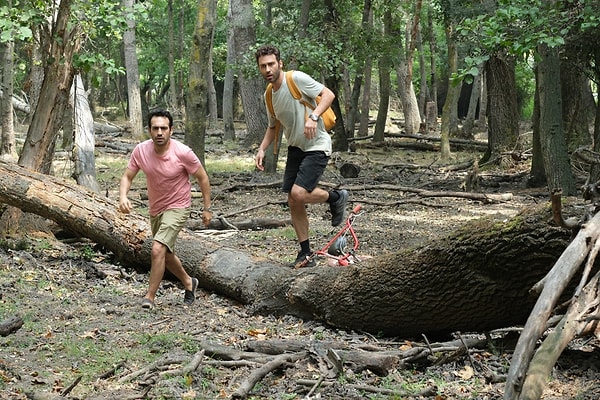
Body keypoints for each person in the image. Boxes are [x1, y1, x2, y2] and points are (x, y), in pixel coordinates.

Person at [254, 45, 348, 268]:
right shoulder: (269, 95)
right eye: (263, 66)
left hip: (317, 144)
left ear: (280, 64)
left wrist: (314, 116)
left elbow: (329, 94)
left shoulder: (296, 79)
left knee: (298, 193)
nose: (268, 69)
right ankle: (306, 253)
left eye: (271, 64)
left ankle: (335, 198)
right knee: (293, 200)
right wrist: (261, 149)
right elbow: (272, 126)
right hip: (296, 148)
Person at [119, 109, 212, 309]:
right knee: (165, 253)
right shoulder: (141, 151)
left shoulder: (183, 152)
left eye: (163, 128)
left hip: (178, 206)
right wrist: (123, 197)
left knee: (157, 248)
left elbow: (203, 178)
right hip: (156, 209)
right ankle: (189, 282)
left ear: (171, 130)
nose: (159, 132)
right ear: (149, 130)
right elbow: (128, 176)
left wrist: (207, 208)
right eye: (155, 128)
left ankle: (149, 297)